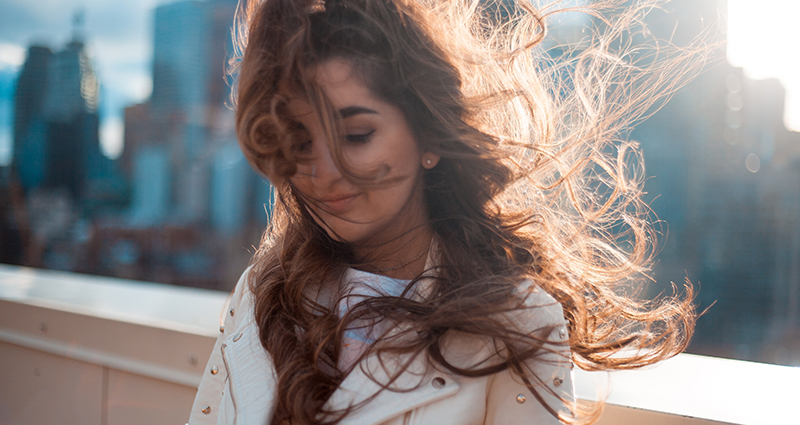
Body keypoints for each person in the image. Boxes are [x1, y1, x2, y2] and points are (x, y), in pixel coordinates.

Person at [190, 0, 704, 424]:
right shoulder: (264, 287)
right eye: (299, 141)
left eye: (356, 135)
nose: (322, 171)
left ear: (427, 136)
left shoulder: (519, 322)